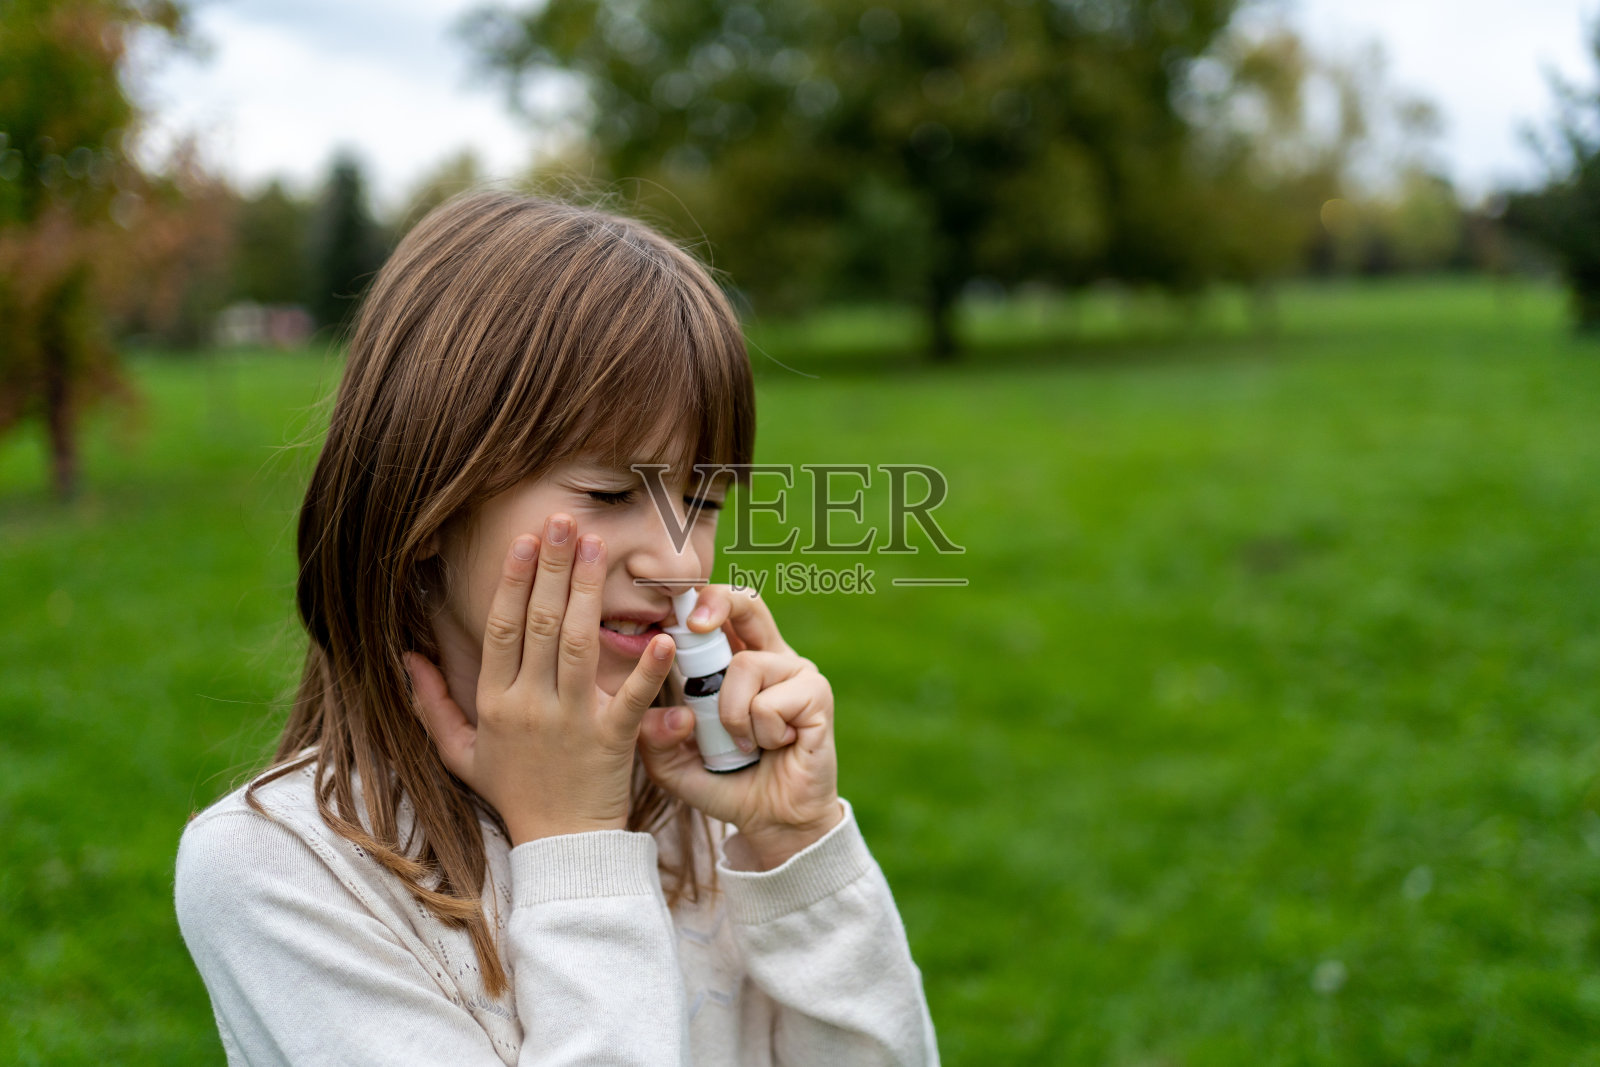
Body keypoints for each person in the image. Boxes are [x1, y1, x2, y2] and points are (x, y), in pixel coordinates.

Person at [173, 190, 938, 1065]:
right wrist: (575, 847)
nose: (681, 561)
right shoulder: (279, 869)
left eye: (703, 499)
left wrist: (796, 848)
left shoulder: (704, 806)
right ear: (426, 504)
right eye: (612, 493)